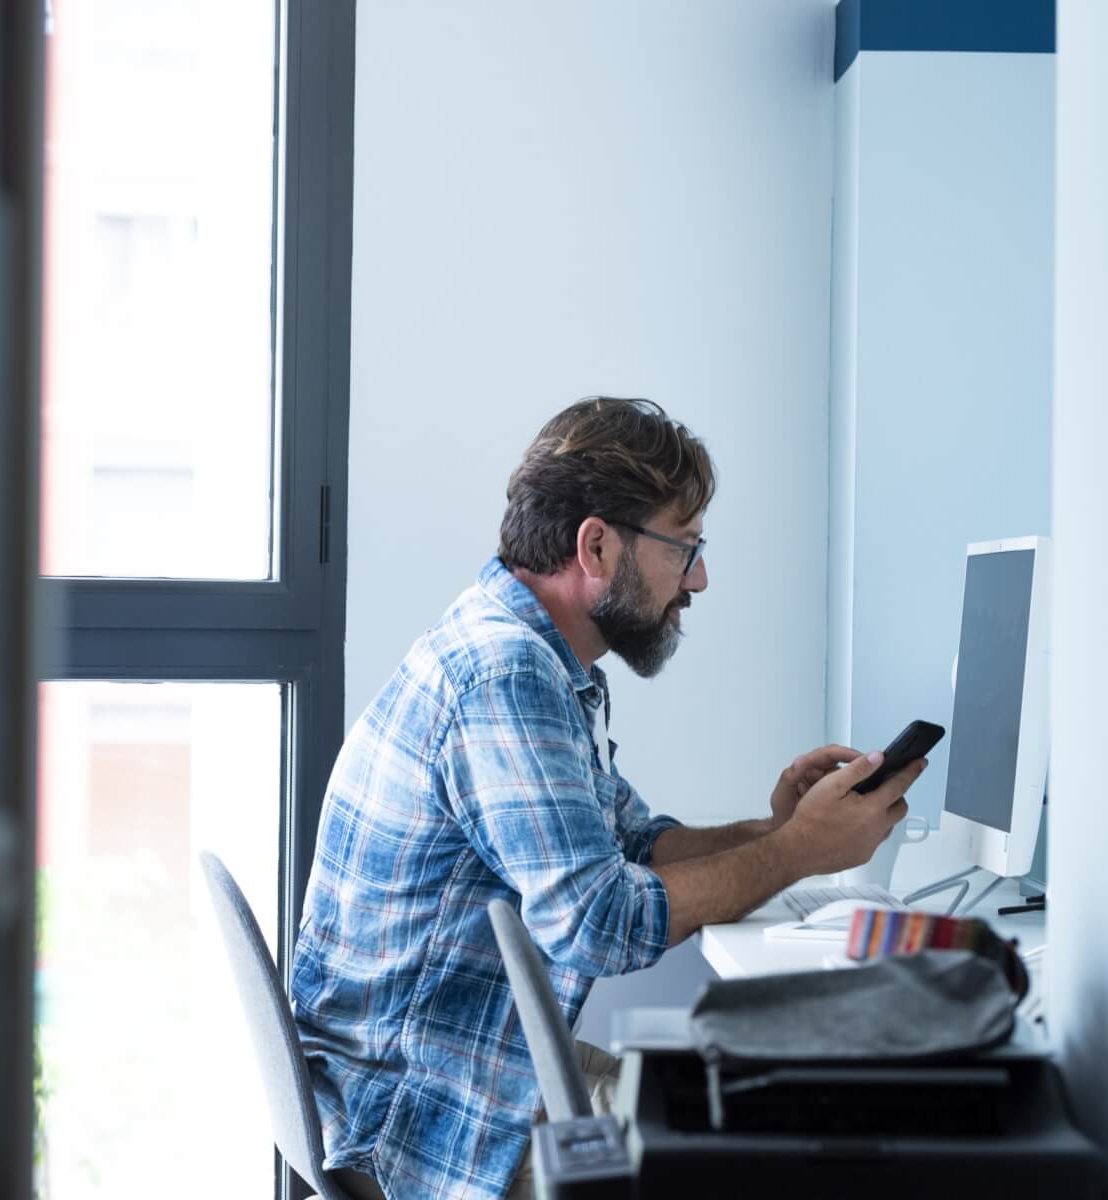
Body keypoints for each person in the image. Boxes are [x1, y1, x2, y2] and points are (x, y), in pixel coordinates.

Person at [291, 397, 928, 1200]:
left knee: (768, 1116)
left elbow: (632, 845)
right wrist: (802, 852)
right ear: (596, 544)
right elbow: (597, 924)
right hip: (430, 1122)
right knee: (788, 1158)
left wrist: (779, 827)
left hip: (472, 1072)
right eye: (684, 548)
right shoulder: (505, 674)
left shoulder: (541, 659)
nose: (698, 578)